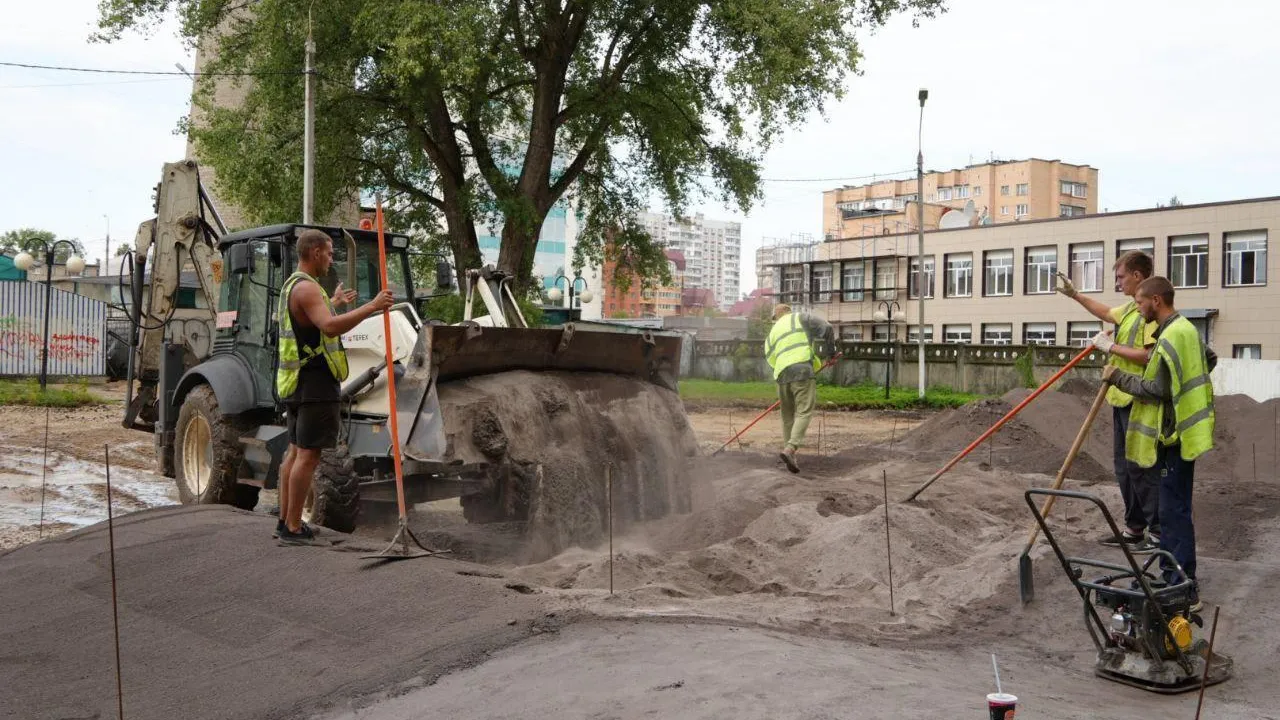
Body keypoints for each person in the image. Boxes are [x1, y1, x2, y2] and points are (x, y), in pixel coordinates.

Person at [1099, 276, 1216, 611]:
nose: (1138, 308)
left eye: (1140, 302)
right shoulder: (1186, 330)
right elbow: (1210, 359)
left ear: (1157, 300)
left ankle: (1183, 587)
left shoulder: (1169, 337)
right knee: (1172, 509)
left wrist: (1117, 377)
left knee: (1173, 511)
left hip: (1176, 436)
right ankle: (1172, 575)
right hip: (1185, 430)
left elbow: (1156, 389)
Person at [274, 229, 394, 545]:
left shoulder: (294, 286)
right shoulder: (308, 289)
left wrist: (335, 301)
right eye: (328, 252)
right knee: (308, 457)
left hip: (298, 382)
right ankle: (293, 527)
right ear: (314, 252)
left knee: (295, 452)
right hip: (314, 384)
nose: (331, 258)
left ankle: (284, 521)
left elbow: (316, 321)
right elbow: (327, 326)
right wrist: (372, 307)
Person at [1055, 252, 1161, 552]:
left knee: (1140, 466)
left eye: (1121, 277)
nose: (1118, 282)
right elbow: (1104, 312)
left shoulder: (1148, 313)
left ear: (1138, 276)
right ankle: (1134, 528)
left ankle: (1157, 533)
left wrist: (1110, 346)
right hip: (1119, 396)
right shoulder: (1130, 309)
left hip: (1139, 398)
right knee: (1124, 468)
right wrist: (1075, 295)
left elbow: (1149, 355)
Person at [764, 303, 835, 474]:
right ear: (789, 312)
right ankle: (790, 449)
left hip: (781, 374)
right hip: (802, 370)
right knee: (804, 411)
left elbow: (769, 357)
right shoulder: (799, 318)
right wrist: (830, 354)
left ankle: (791, 456)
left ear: (777, 316)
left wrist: (783, 370)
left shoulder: (772, 333)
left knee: (787, 416)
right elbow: (827, 328)